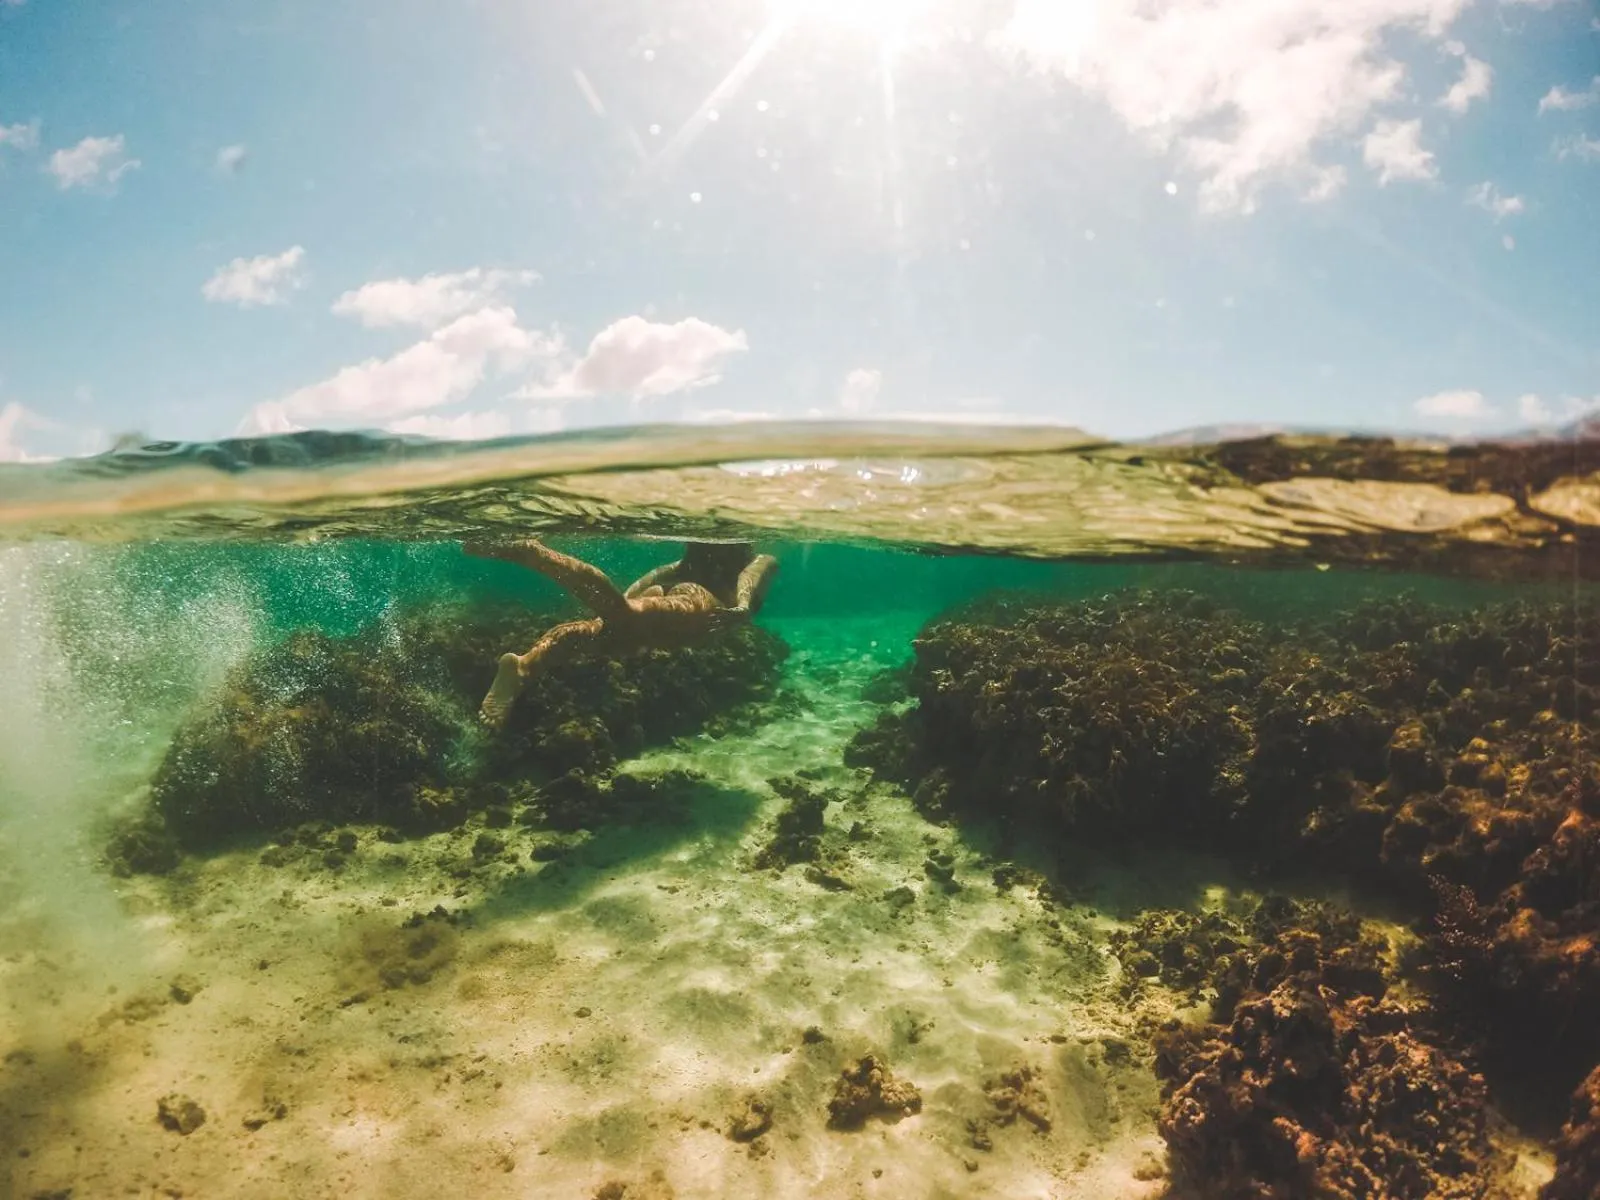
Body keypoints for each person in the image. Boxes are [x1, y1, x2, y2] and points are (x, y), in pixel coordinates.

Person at [464, 538, 779, 728]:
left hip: (680, 615)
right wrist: (741, 609)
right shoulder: (758, 558)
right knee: (623, 616)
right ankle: (535, 554)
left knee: (596, 637)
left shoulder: (706, 560)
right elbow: (749, 580)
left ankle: (524, 665)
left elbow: (658, 575)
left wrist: (622, 604)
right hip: (699, 607)